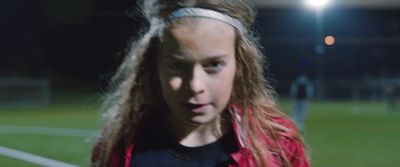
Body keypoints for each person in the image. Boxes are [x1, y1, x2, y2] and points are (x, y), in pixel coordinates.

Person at [91, 0, 310, 166]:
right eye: (177, 65)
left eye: (214, 65)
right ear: (154, 68)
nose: (195, 86)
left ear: (241, 68)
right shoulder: (120, 144)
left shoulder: (278, 144)